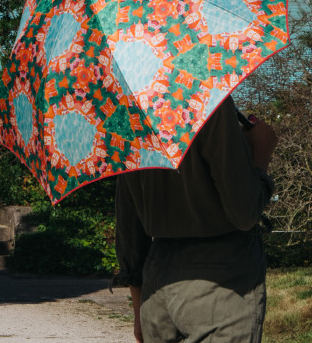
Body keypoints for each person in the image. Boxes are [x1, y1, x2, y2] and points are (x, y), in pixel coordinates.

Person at [115, 95, 278, 343]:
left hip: (158, 283)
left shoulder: (127, 109)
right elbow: (244, 213)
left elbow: (128, 222)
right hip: (221, 279)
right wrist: (260, 154)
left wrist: (139, 308)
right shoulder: (206, 98)